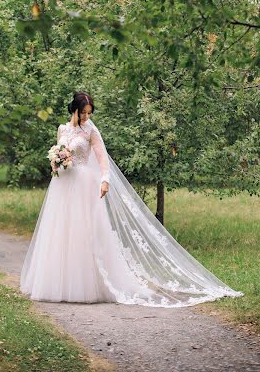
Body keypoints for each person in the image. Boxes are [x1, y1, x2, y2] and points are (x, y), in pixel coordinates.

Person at [19, 92, 244, 306]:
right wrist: (57, 162)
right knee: (61, 231)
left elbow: (100, 156)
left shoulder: (91, 131)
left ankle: (87, 286)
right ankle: (58, 283)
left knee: (84, 231)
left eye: (89, 113)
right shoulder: (63, 129)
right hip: (63, 184)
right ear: (74, 110)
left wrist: (105, 178)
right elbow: (59, 152)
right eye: (83, 112)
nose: (87, 117)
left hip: (84, 185)